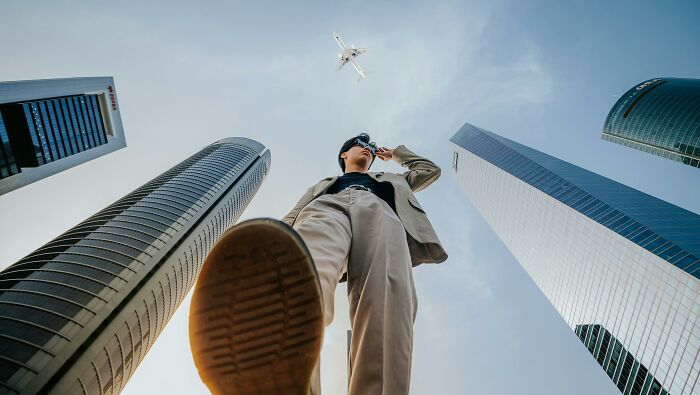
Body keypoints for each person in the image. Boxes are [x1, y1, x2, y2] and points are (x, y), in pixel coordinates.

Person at [189, 133, 447, 395]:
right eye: (362, 146)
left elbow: (429, 170)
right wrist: (273, 241)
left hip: (381, 212)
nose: (368, 150)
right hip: (328, 207)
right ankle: (291, 377)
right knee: (305, 265)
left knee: (386, 298)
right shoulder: (325, 184)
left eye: (371, 148)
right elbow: (295, 213)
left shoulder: (392, 180)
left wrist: (395, 155)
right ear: (344, 155)